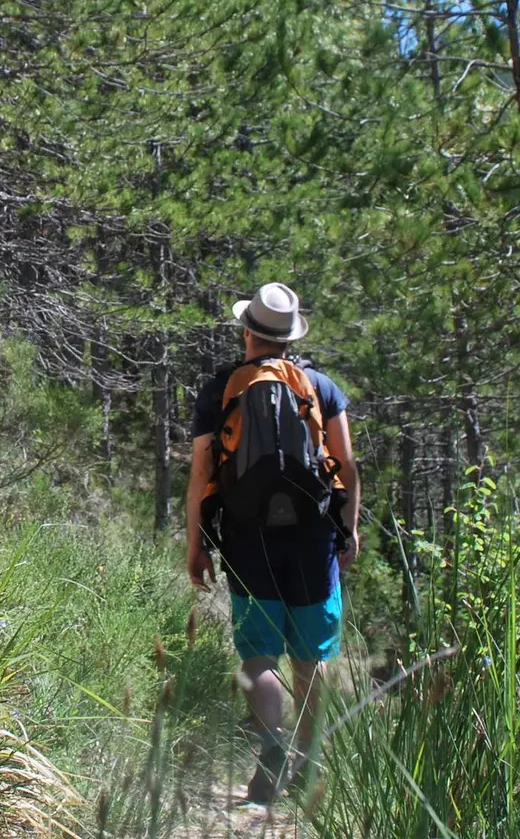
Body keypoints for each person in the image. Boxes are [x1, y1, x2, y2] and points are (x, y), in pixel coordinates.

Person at [184, 281, 360, 805]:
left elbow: (200, 472)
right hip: (311, 537)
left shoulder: (220, 389)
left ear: (247, 333)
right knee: (312, 656)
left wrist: (196, 545)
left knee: (259, 657)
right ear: (289, 338)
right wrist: (348, 528)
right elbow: (346, 466)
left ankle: (271, 744)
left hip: (245, 535)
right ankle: (307, 765)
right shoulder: (320, 387)